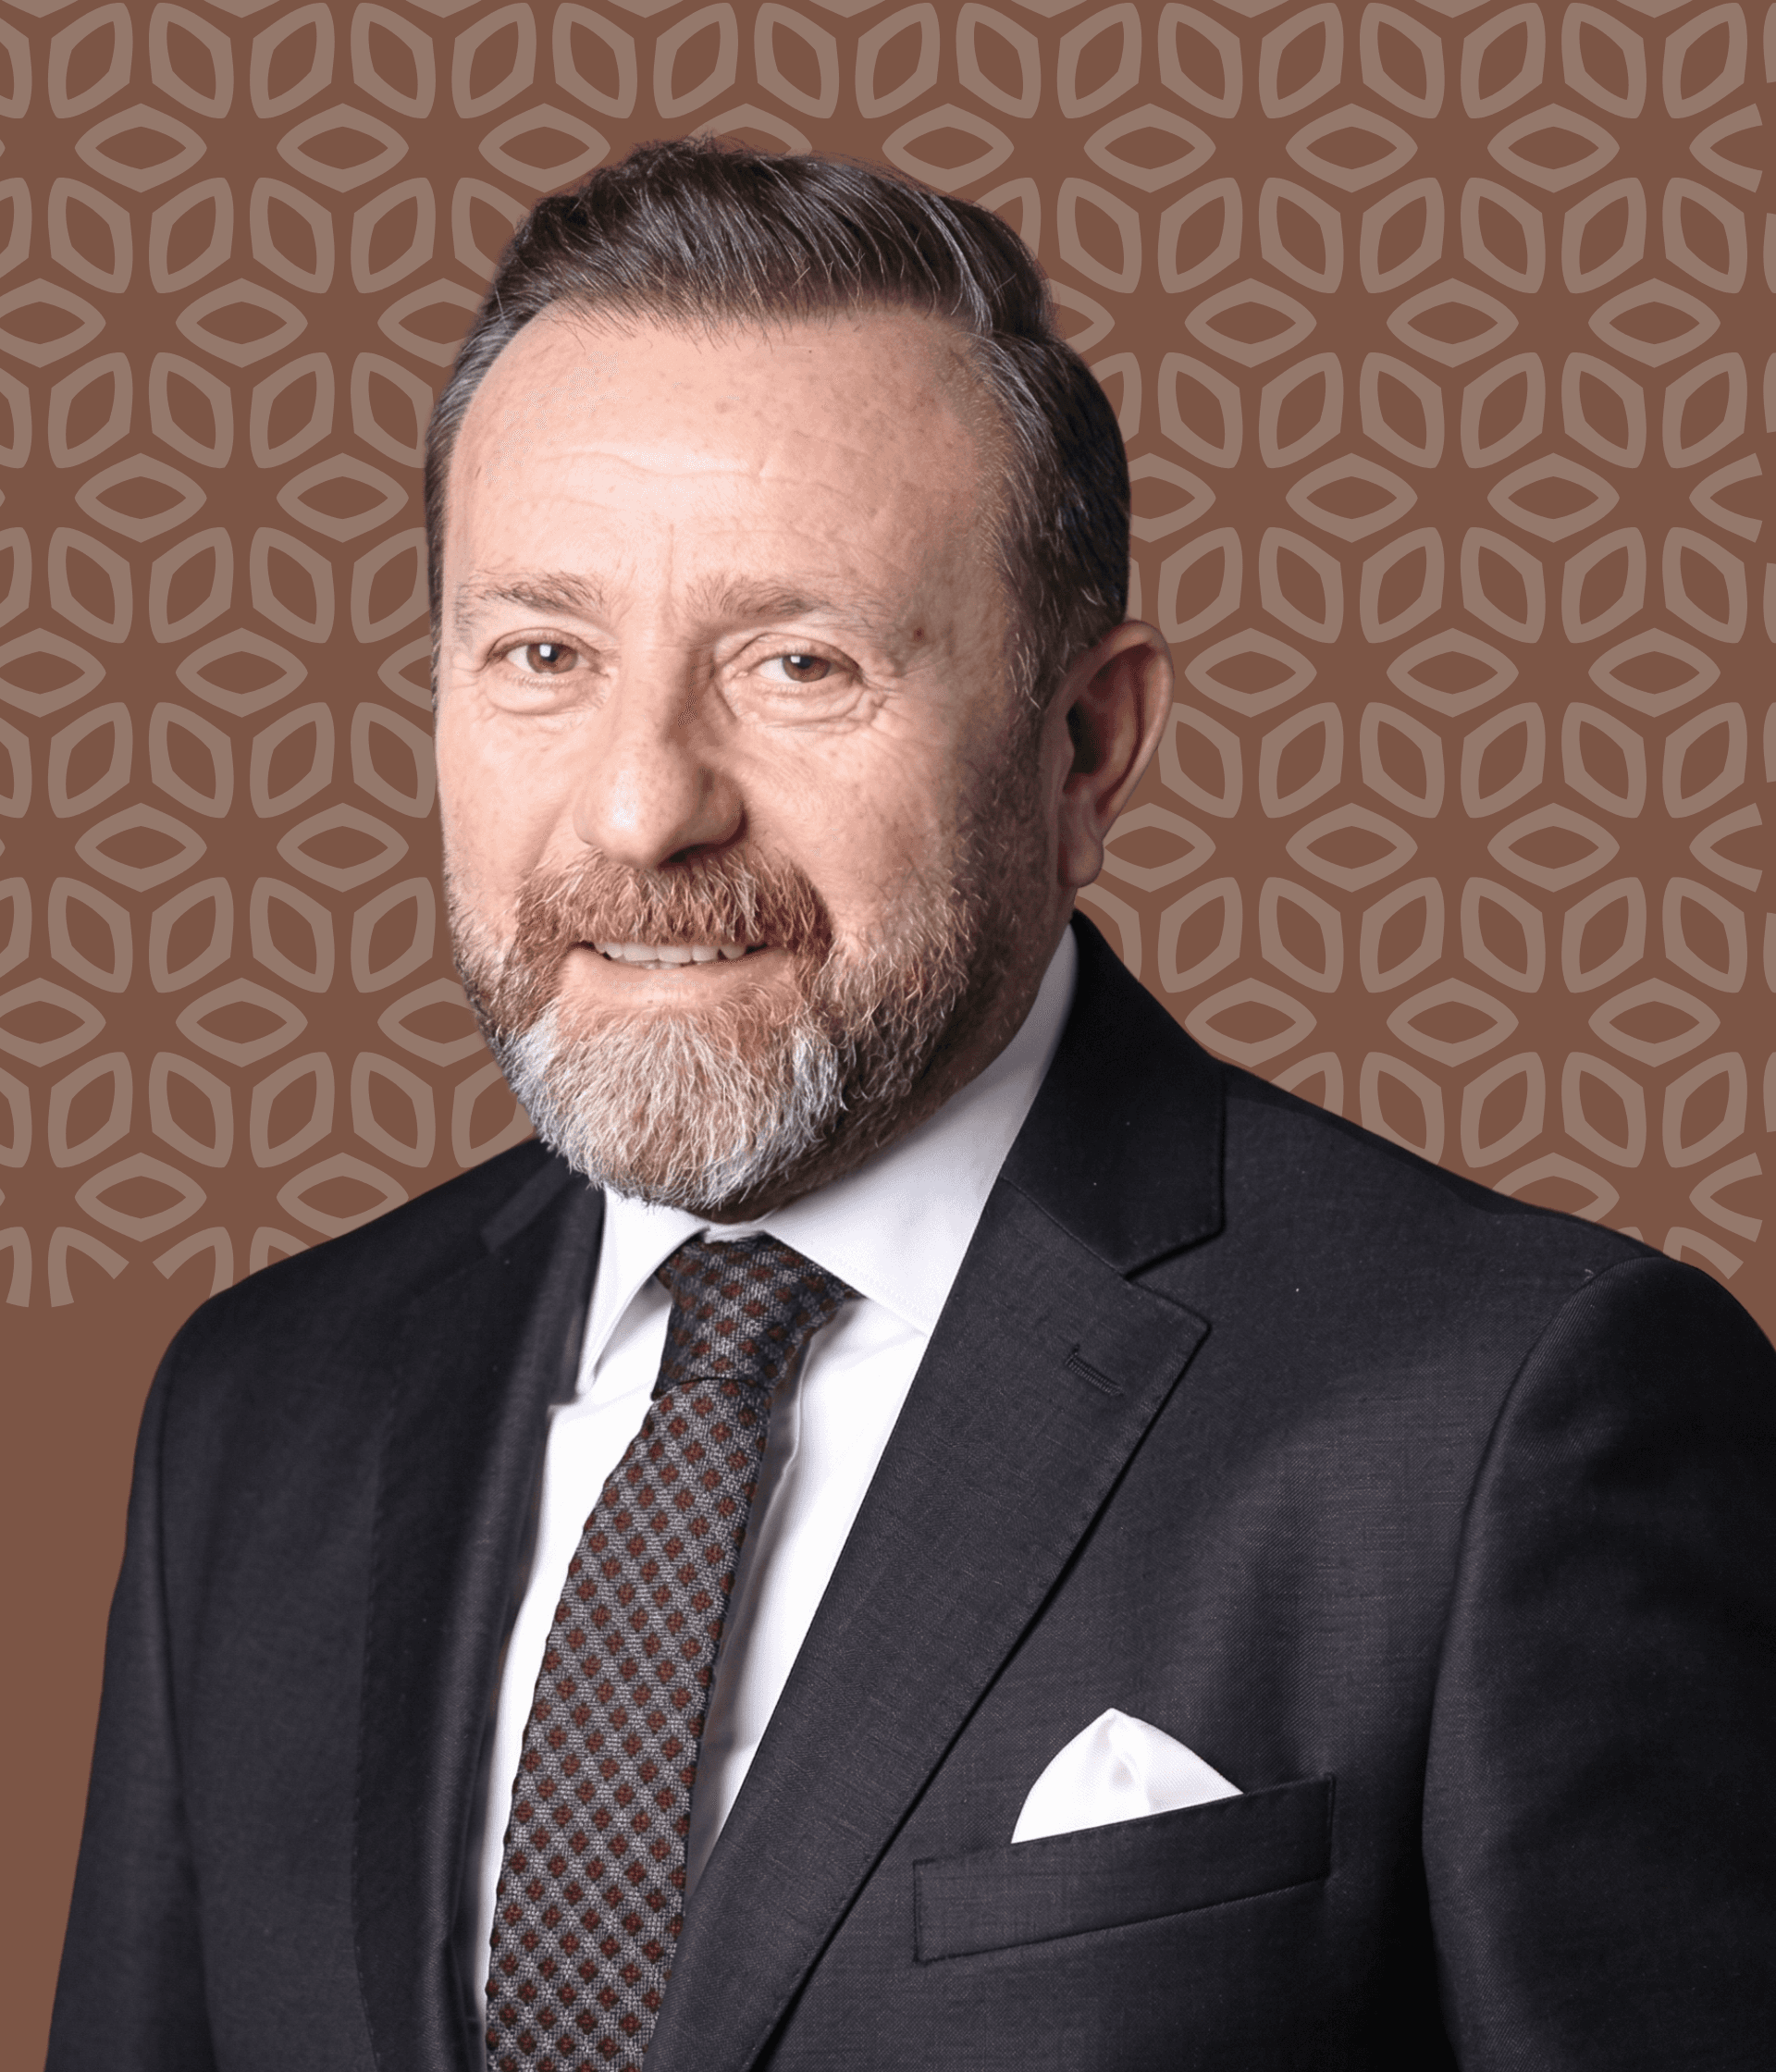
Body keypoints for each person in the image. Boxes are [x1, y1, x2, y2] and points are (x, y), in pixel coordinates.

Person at [49, 140, 1776, 2072]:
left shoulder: (1506, 1411)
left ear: (1087, 742)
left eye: (802, 664)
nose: (645, 806)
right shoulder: (260, 1406)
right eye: (543, 653)